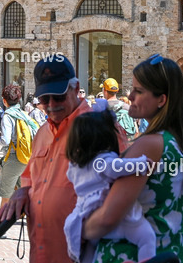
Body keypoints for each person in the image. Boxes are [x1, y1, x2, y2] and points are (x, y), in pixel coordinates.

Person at [80, 53, 183, 262]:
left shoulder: (151, 145)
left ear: (161, 100)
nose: (131, 96)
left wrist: (76, 231)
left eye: (138, 90)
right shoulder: (180, 141)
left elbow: (108, 217)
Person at [1, 56, 123, 263]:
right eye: (44, 98)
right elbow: (31, 180)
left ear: (75, 89)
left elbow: (123, 192)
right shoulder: (42, 134)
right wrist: (23, 192)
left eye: (58, 97)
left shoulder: (101, 129)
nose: (50, 104)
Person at [64, 105, 157, 263]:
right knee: (147, 237)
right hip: (110, 212)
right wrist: (142, 163)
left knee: (90, 249)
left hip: (85, 213)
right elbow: (118, 168)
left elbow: (72, 179)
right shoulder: (103, 161)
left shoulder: (74, 166)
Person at [0, 84, 38, 207]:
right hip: (28, 158)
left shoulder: (8, 116)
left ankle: (2, 223)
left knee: (6, 197)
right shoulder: (23, 114)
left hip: (14, 159)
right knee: (24, 194)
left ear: (4, 100)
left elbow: (6, 140)